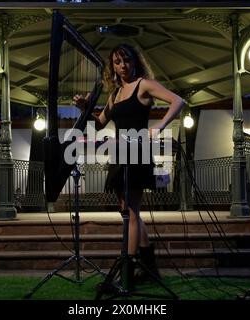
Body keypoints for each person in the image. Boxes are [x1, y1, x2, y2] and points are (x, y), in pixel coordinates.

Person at [74, 43, 185, 286]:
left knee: (131, 212)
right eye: (117, 62)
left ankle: (127, 272)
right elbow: (100, 123)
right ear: (112, 66)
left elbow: (178, 101)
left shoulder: (144, 84)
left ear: (135, 61)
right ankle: (149, 267)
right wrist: (85, 107)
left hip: (137, 152)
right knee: (127, 211)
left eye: (126, 60)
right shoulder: (114, 94)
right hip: (120, 154)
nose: (122, 66)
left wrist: (159, 126)